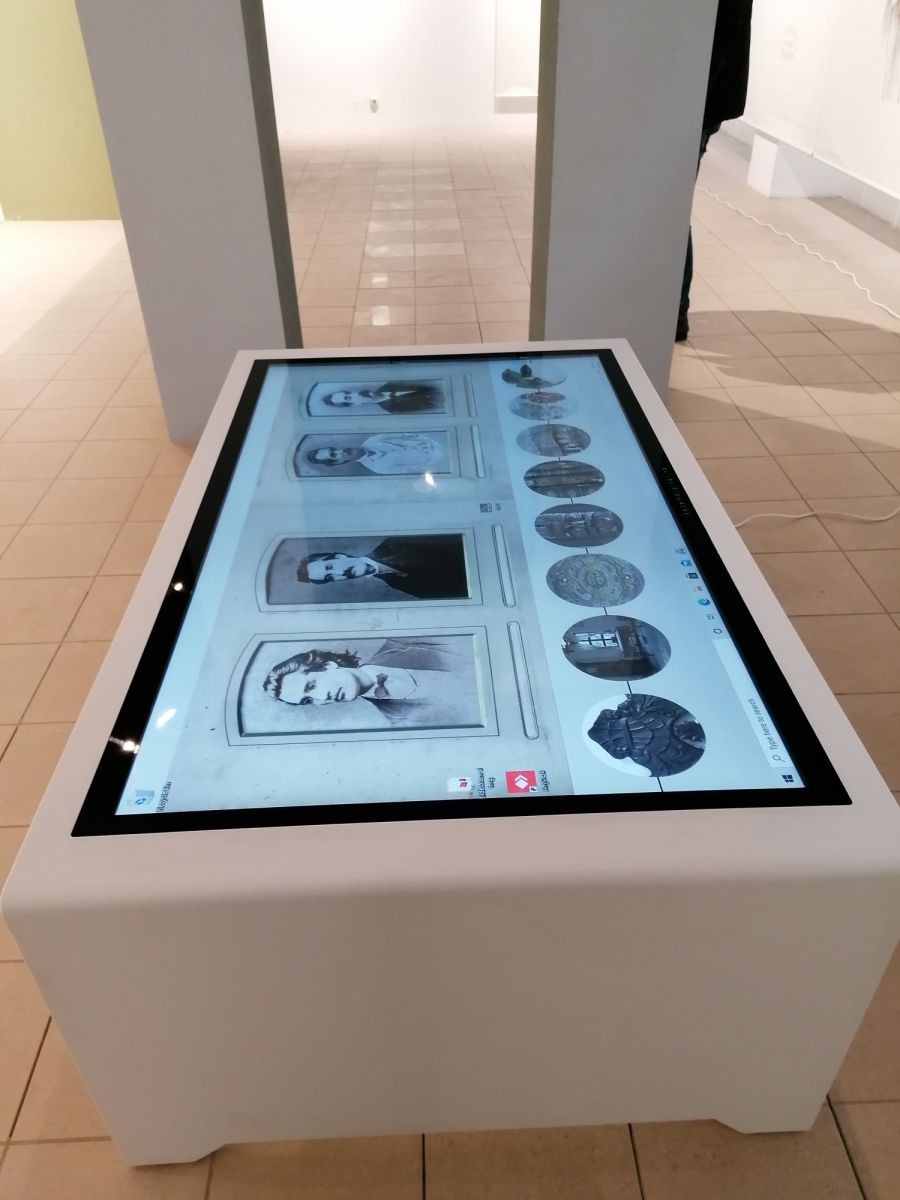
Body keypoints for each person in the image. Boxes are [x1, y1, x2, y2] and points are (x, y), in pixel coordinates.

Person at [677, 0, 754, 342]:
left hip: (696, 104)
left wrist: (687, 101)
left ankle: (673, 315)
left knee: (671, 213)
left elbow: (722, 34)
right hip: (692, 102)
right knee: (671, 211)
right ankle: (672, 313)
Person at [262, 638, 466, 724]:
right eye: (308, 700)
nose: (322, 697)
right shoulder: (402, 721)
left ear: (328, 665)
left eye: (312, 685)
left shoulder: (406, 640)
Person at [295, 534, 468, 600]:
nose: (340, 572)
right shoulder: (394, 583)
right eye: (330, 577)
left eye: (330, 567)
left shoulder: (396, 542)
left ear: (340, 556)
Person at [304, 431, 444, 475]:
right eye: (334, 455)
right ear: (338, 462)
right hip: (438, 460)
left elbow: (408, 435)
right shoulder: (379, 468)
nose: (340, 451)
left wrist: (433, 442)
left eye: (333, 449)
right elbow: (416, 469)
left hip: (438, 440)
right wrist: (436, 458)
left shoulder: (374, 439)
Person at [317, 381, 444, 414]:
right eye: (349, 398)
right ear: (355, 405)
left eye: (349, 393)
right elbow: (434, 408)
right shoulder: (393, 409)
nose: (356, 394)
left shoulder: (391, 383)